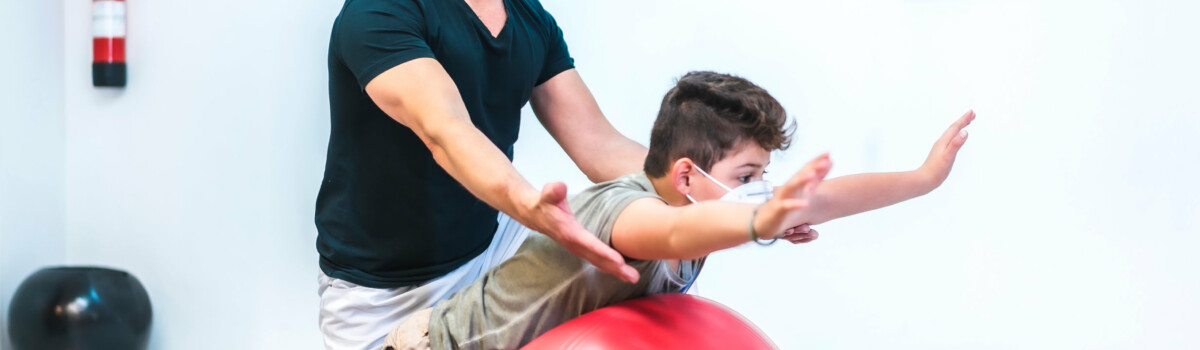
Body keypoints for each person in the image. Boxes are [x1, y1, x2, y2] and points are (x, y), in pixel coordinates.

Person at [381, 71, 976, 350]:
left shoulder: (708, 203)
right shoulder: (628, 213)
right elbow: (672, 231)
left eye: (761, 179)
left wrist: (923, 178)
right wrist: (757, 222)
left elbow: (823, 197)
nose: (757, 192)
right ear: (686, 176)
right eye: (746, 178)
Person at [314, 0, 732, 349]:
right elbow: (445, 130)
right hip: (382, 296)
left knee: (647, 237)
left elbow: (599, 144)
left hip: (493, 244)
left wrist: (718, 198)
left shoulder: (530, 19)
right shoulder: (380, 11)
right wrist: (532, 208)